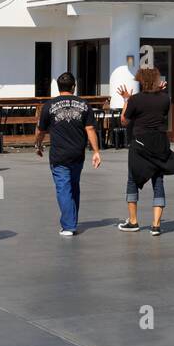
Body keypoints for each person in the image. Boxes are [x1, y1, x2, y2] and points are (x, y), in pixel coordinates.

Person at [116, 67, 174, 236]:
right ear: (157, 81)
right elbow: (159, 109)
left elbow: (124, 121)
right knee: (158, 180)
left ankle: (133, 221)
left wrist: (126, 100)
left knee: (133, 180)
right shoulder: (165, 99)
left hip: (140, 143)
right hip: (159, 142)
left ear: (141, 81)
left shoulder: (135, 100)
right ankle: (156, 225)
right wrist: (159, 91)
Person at [33, 72, 102, 236]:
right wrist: (96, 151)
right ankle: (72, 220)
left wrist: (38, 144)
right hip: (78, 153)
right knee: (74, 186)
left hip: (59, 154)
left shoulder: (49, 106)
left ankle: (69, 225)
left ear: (58, 87)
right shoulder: (84, 105)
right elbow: (90, 129)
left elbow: (41, 130)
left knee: (64, 188)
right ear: (73, 87)